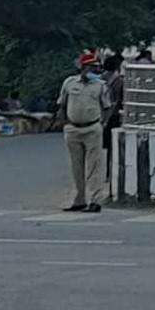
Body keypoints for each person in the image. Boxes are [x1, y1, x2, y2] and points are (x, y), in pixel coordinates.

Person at [58, 51, 111, 212]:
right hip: (73, 128)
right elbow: (62, 105)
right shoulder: (69, 83)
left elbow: (107, 107)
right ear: (83, 67)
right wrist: (65, 124)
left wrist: (102, 123)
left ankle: (95, 200)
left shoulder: (100, 85)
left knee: (94, 166)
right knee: (76, 166)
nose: (95, 71)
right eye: (91, 67)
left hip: (92, 128)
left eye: (96, 68)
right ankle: (79, 199)